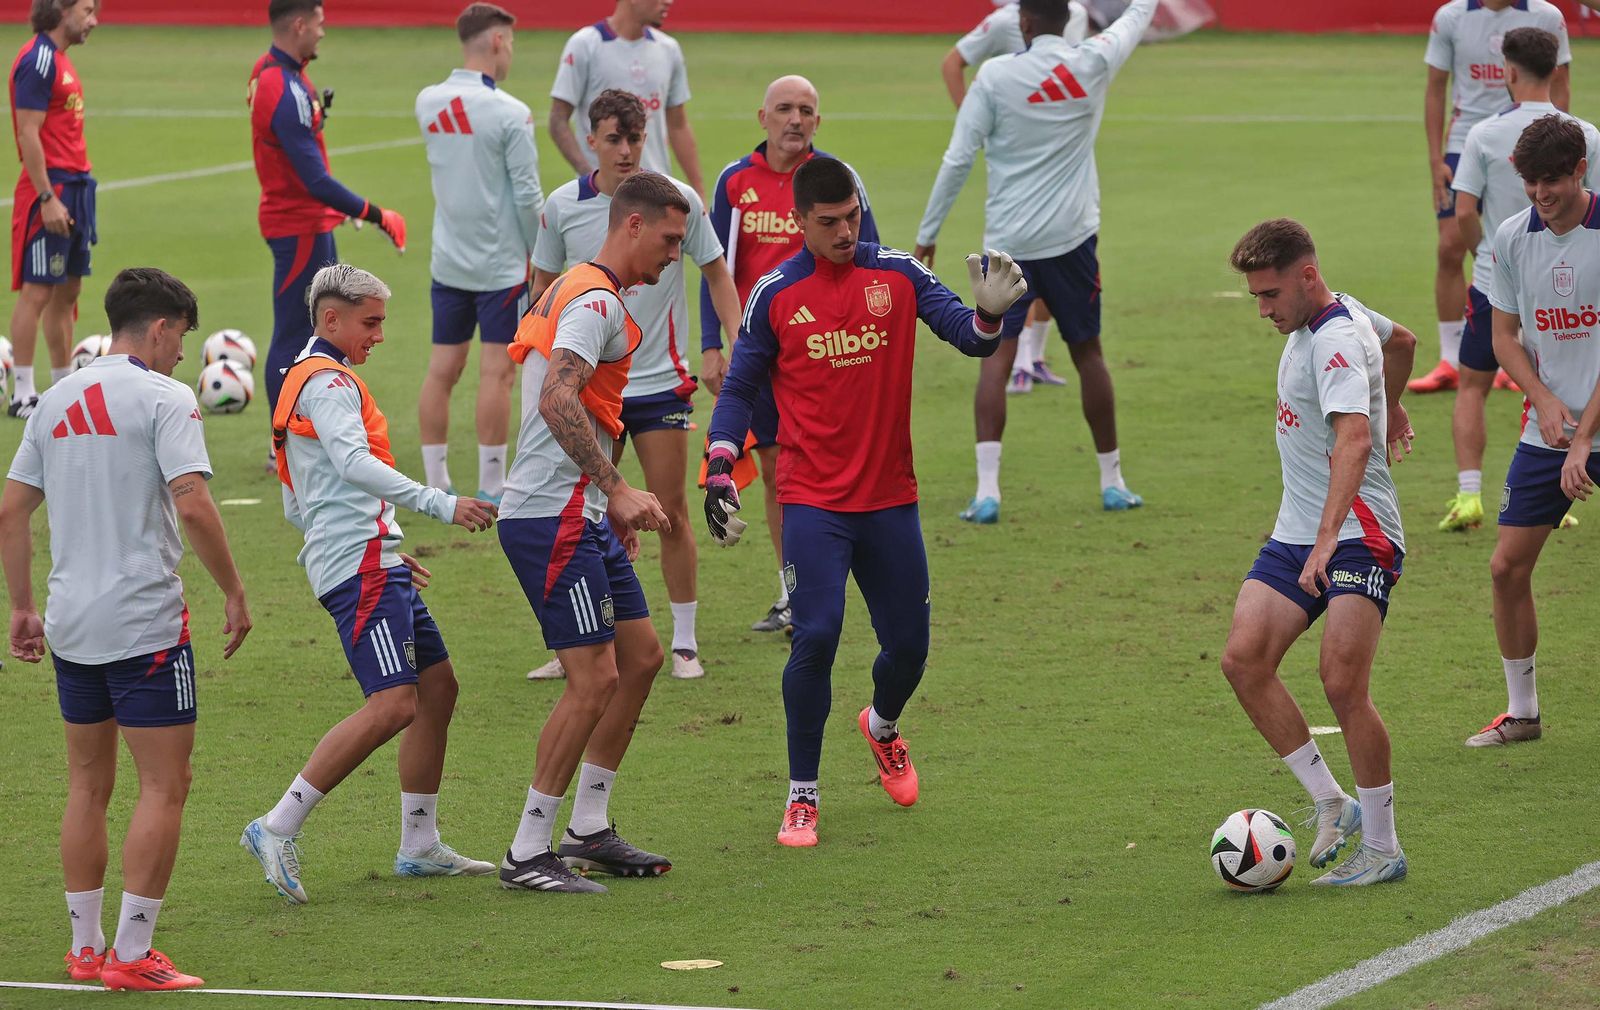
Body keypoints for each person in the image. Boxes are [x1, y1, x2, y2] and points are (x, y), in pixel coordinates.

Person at [704, 157, 1028, 847]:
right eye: (829, 223)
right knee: (816, 635)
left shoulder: (898, 274)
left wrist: (993, 316)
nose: (846, 232)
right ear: (800, 224)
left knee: (909, 648)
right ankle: (802, 796)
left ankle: (881, 725)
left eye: (852, 217)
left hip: (889, 501)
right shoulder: (773, 294)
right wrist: (721, 461)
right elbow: (737, 390)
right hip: (812, 501)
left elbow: (967, 335)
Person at [2, 267, 252, 989]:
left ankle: (86, 949)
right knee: (164, 786)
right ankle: (135, 954)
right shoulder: (165, 399)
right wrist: (234, 591)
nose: (184, 357)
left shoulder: (52, 399)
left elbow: (11, 512)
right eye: (183, 339)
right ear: (162, 326)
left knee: (87, 786)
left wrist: (21, 606)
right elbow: (196, 505)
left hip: (71, 622)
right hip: (144, 623)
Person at [241, 264, 499, 904]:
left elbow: (297, 503)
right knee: (393, 704)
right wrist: (439, 505)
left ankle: (419, 844)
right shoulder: (327, 383)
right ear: (332, 318)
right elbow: (354, 464)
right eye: (371, 322)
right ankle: (277, 825)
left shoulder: (302, 378)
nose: (379, 335)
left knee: (438, 688)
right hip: (359, 564)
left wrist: (380, 546)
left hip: (367, 558)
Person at [496, 171, 683, 893]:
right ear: (632, 226)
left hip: (579, 513)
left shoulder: (581, 284)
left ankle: (589, 829)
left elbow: (585, 404)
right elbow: (556, 398)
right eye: (668, 239)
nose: (674, 255)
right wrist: (617, 488)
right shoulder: (596, 300)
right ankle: (526, 851)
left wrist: (608, 502)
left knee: (639, 658)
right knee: (593, 677)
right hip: (550, 516)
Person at [1222, 219, 1416, 887]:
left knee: (1341, 683)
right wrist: (1395, 399)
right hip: (1299, 528)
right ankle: (1331, 800)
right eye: (1256, 297)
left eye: (1271, 294)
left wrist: (1331, 536)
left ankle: (1384, 847)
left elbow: (1356, 442)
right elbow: (1406, 341)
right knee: (1245, 659)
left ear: (1308, 276)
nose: (1264, 310)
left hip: (1358, 532)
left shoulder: (1332, 342)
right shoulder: (1349, 311)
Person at [523, 91, 741, 683]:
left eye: (635, 138)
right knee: (586, 512)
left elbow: (718, 275)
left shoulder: (677, 203)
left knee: (667, 510)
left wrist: (737, 346)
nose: (625, 150)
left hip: (660, 384)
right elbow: (541, 289)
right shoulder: (561, 208)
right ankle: (578, 641)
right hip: (591, 390)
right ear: (589, 139)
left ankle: (686, 642)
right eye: (613, 138)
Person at [916, 0, 1153, 525]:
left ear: (1022, 22)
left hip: (1008, 245)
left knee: (995, 356)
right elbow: (1136, 17)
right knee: (1089, 353)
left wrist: (928, 234)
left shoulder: (996, 76)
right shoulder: (1093, 60)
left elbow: (958, 158)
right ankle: (1113, 482)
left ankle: (987, 492)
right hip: (1073, 242)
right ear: (1067, 19)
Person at [700, 74, 879, 635]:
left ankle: (853, 577)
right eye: (784, 109)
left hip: (831, 351)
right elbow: (716, 268)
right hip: (762, 353)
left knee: (843, 462)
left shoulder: (836, 179)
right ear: (764, 118)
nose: (794, 119)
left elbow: (869, 255)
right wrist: (713, 344)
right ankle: (793, 592)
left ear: (818, 121)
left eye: (805, 110)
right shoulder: (735, 182)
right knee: (780, 470)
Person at [1465, 115, 1600, 747]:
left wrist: (1582, 439)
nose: (1540, 194)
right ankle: (1522, 713)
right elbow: (1502, 337)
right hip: (1549, 431)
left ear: (1581, 171)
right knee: (1505, 568)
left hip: (1583, 430)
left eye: (1552, 181)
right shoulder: (1512, 238)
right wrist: (1544, 401)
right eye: (1529, 182)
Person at [1442, 27, 1598, 533]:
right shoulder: (1588, 133)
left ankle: (1468, 494)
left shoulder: (1483, 133)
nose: (1538, 191)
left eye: (1549, 180)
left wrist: (1481, 252)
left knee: (1472, 386)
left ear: (1506, 71)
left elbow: (1464, 211)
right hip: (1544, 280)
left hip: (1499, 274)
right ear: (1558, 69)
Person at [249, 0, 407, 439]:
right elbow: (314, 179)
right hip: (297, 226)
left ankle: (314, 424)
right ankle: (280, 438)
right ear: (299, 24)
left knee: (318, 328)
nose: (323, 32)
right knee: (295, 331)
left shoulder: (282, 73)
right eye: (319, 24)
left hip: (311, 220)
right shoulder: (280, 87)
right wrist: (376, 214)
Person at [415, 3, 543, 504]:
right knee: (497, 372)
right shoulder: (510, 112)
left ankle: (434, 480)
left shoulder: (427, 101)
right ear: (495, 42)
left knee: (441, 369)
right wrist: (542, 258)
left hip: (447, 260)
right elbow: (528, 195)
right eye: (509, 42)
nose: (511, 51)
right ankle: (492, 483)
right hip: (500, 266)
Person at [1414, 0, 1570, 396]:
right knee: (1450, 246)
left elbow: (1562, 84)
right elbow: (1435, 89)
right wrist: (1436, 159)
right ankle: (1450, 359)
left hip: (1531, 141)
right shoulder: (1451, 17)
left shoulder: (1547, 16)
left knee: (1531, 244)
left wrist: (1554, 146)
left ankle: (1515, 354)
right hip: (1466, 140)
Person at [939, 0, 1084, 396]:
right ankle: (1019, 363)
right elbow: (953, 62)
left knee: (1060, 260)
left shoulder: (1077, 15)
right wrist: (973, 124)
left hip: (1057, 156)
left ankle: (1032, 359)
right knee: (1018, 268)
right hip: (1017, 168)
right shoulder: (1004, 21)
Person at [7, 0, 99, 419]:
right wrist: (46, 197)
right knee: (38, 288)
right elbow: (28, 132)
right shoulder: (38, 60)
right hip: (51, 189)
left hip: (76, 186)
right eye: (87, 10)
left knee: (69, 290)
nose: (93, 21)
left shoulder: (60, 60)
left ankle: (63, 385)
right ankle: (22, 391)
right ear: (62, 10)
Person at [549, 0, 702, 197]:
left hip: (655, 196)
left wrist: (699, 193)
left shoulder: (668, 49)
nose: (668, 2)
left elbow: (678, 126)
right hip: (603, 197)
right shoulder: (585, 45)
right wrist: (591, 176)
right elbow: (558, 120)